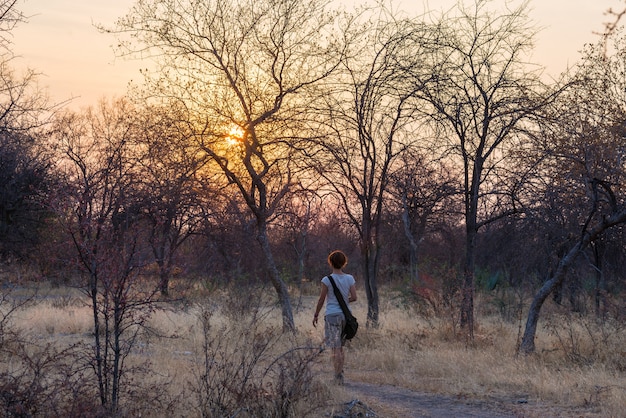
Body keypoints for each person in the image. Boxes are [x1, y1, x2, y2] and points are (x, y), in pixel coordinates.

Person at [312, 250, 357, 385]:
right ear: (344, 263)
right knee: (341, 348)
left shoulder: (327, 280)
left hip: (332, 315)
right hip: (345, 316)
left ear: (330, 262)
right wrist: (343, 301)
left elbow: (321, 299)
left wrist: (316, 314)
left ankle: (337, 377)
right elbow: (354, 297)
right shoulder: (349, 278)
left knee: (335, 348)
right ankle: (340, 372)